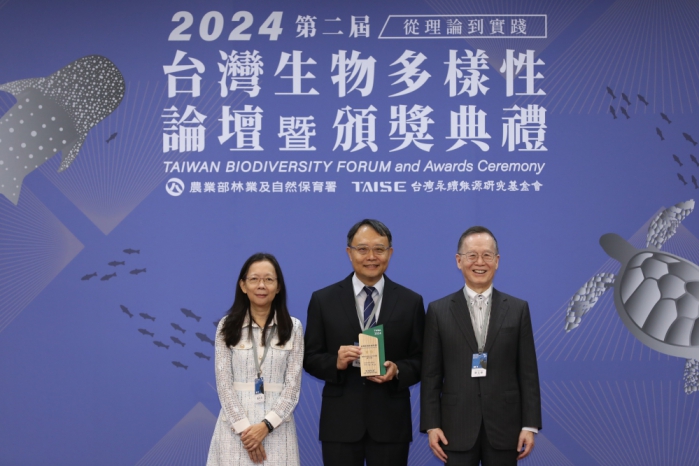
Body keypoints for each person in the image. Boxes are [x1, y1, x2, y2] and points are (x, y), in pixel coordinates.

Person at [303, 219, 425, 466]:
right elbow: (310, 357)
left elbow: (423, 359)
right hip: (340, 423)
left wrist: (397, 371)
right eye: (362, 249)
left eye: (379, 249)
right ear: (349, 253)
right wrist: (336, 363)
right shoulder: (323, 300)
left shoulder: (410, 301)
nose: (371, 257)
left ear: (390, 253)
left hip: (391, 423)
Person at [421, 226, 542, 466]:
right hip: (455, 427)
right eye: (472, 255)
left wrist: (530, 425)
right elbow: (431, 375)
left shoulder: (517, 309)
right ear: (459, 261)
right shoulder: (438, 311)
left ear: (497, 261)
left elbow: (528, 373)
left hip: (505, 428)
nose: (480, 262)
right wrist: (432, 425)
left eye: (487, 255)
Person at [207, 253, 304, 465]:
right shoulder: (226, 326)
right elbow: (223, 385)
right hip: (235, 430)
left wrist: (266, 426)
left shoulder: (293, 327)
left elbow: (292, 388)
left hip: (277, 429)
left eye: (269, 279)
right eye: (254, 279)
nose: (261, 285)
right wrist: (246, 431)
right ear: (243, 285)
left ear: (278, 287)